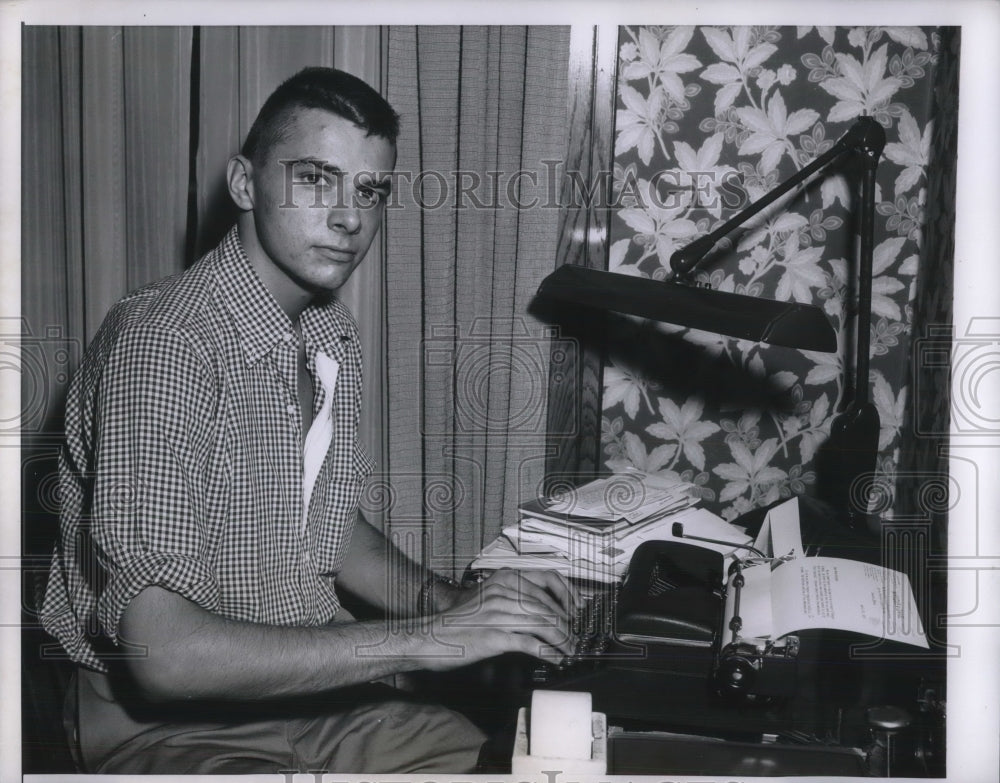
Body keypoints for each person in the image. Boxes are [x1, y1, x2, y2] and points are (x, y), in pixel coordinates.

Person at [40, 66, 577, 775]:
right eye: (317, 179)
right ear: (242, 183)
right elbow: (163, 653)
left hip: (309, 701)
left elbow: (320, 523)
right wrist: (432, 637)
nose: (351, 217)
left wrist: (457, 602)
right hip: (164, 728)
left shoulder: (327, 333)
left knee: (522, 761)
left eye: (370, 189)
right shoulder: (165, 345)